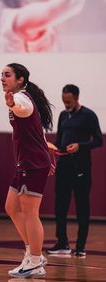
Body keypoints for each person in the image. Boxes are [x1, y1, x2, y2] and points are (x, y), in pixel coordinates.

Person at [1, 63, 53, 278]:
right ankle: (33, 253)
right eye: (1, 75)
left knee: (31, 213)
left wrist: (13, 104)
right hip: (26, 162)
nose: (2, 78)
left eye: (7, 75)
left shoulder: (22, 99)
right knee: (11, 207)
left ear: (20, 79)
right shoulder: (23, 97)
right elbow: (38, 130)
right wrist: (48, 152)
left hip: (32, 164)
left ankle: (34, 260)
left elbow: (24, 108)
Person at [46, 84, 103, 256]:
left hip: (81, 167)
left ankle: (80, 246)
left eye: (69, 101)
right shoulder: (63, 115)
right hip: (64, 166)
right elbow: (59, 138)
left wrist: (80, 146)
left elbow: (99, 141)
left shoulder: (89, 115)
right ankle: (62, 243)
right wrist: (54, 149)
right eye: (64, 101)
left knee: (82, 207)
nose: (66, 104)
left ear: (77, 98)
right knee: (60, 206)